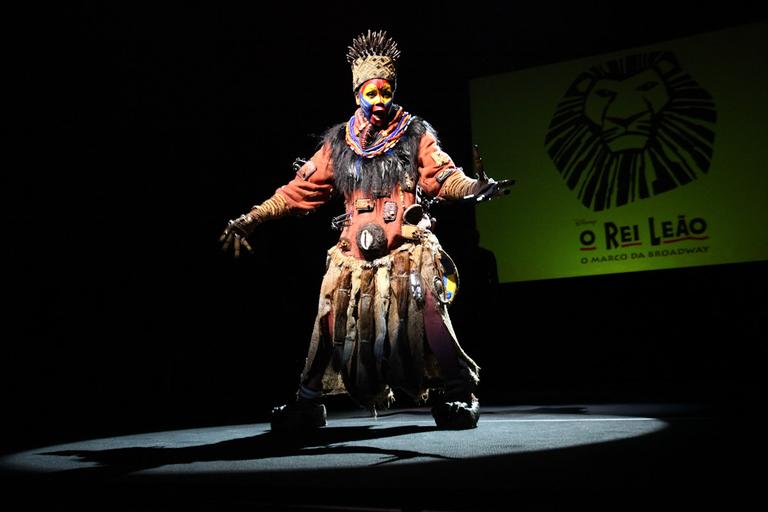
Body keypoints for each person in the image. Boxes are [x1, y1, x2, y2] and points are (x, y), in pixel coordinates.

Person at [220, 30, 511, 430]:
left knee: (429, 310)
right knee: (328, 316)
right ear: (357, 93)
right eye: (370, 94)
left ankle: (460, 391)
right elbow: (299, 189)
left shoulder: (413, 134)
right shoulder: (340, 143)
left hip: (406, 249)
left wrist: (475, 188)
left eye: (385, 92)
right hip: (355, 256)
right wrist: (254, 217)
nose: (379, 102)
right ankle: (308, 401)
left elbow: (443, 176)